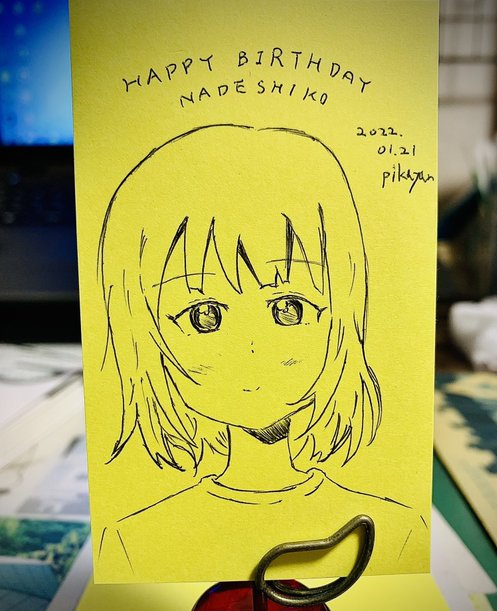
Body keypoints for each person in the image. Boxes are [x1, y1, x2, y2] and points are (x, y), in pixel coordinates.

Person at [96, 124, 427, 582]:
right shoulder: (133, 543)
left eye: (289, 308)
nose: (251, 350)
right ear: (145, 330)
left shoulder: (398, 533)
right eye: (205, 316)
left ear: (342, 310)